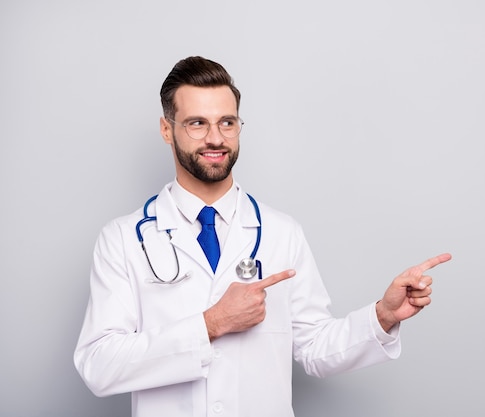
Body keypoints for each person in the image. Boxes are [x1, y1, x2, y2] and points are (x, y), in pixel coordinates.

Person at [74, 56, 452, 417]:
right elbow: (99, 364)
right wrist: (210, 324)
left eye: (227, 122)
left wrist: (382, 317)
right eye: (196, 123)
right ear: (166, 129)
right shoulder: (123, 239)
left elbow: (315, 347)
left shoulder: (281, 232)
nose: (215, 138)